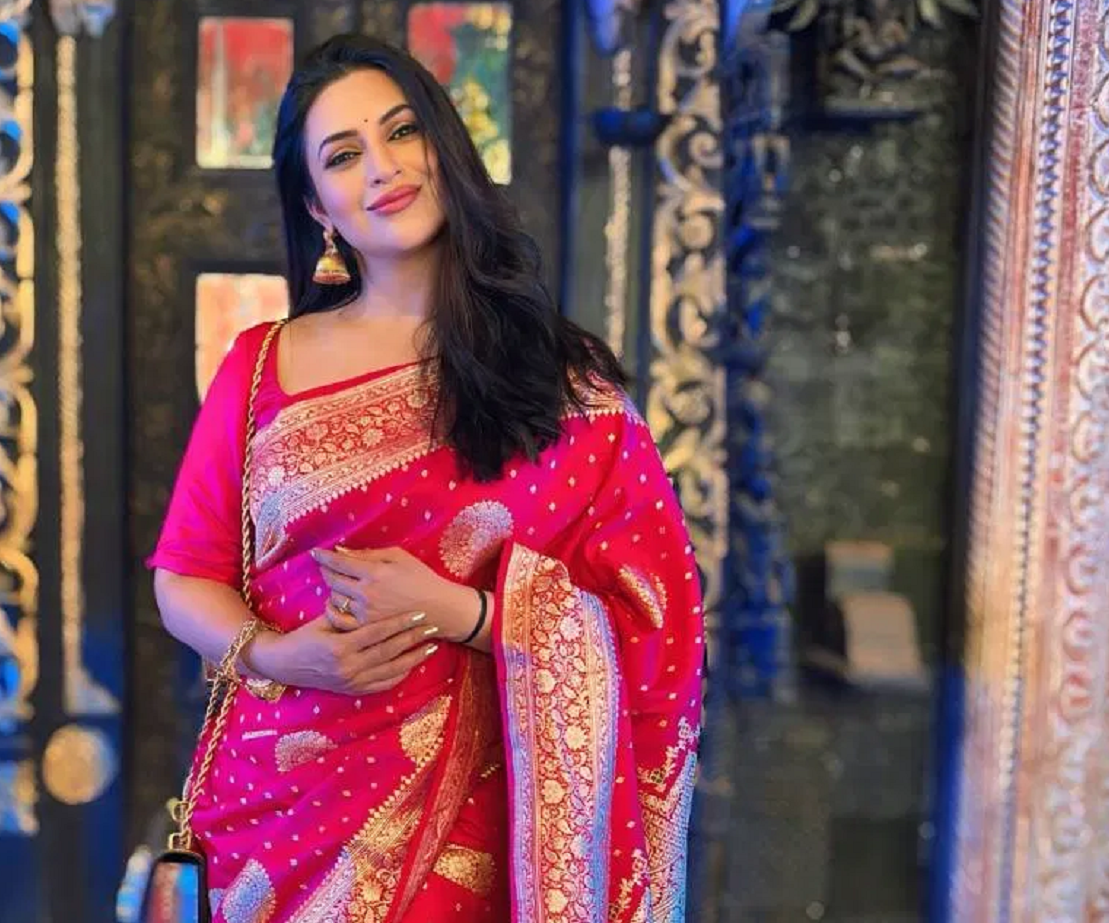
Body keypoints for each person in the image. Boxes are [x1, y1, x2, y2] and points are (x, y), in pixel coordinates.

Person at [149, 32, 704, 923]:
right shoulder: (260, 366)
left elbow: (654, 616)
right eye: (343, 155)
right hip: (280, 818)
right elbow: (185, 577)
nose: (383, 167)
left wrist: (469, 614)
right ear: (317, 205)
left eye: (402, 131)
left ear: (445, 147)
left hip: (485, 840)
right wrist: (281, 654)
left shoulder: (568, 388)